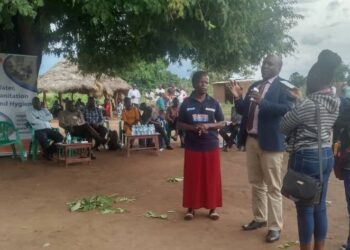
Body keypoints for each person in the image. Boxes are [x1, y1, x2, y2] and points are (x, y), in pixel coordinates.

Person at [281, 50, 341, 250]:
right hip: (326, 154)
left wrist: (295, 103)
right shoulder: (335, 102)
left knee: (305, 208)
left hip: (307, 156)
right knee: (320, 206)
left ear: (313, 81)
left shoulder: (308, 103)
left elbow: (284, 125)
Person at [229, 55, 292, 243]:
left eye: (270, 63)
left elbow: (287, 109)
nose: (265, 66)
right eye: (263, 62)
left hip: (272, 143)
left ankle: (275, 227)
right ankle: (259, 218)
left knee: (273, 186)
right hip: (252, 140)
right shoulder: (255, 85)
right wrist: (238, 98)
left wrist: (262, 102)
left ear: (279, 67)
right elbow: (243, 110)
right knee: (256, 183)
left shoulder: (284, 86)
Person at [178, 71, 225, 221]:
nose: (204, 85)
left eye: (206, 82)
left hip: (211, 145)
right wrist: (194, 128)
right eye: (201, 82)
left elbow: (222, 122)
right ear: (194, 83)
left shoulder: (214, 102)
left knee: (212, 177)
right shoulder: (186, 103)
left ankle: (213, 209)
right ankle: (190, 208)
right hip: (192, 146)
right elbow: (179, 123)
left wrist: (208, 125)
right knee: (193, 177)